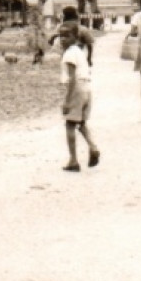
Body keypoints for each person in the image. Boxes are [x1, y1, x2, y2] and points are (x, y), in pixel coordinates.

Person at [58, 23, 99, 172]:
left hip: (77, 89)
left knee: (69, 124)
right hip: (87, 88)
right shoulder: (80, 51)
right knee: (81, 123)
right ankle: (93, 147)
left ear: (75, 37)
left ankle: (73, 160)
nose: (62, 39)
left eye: (66, 36)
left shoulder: (69, 54)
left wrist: (67, 101)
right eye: (60, 36)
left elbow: (72, 78)